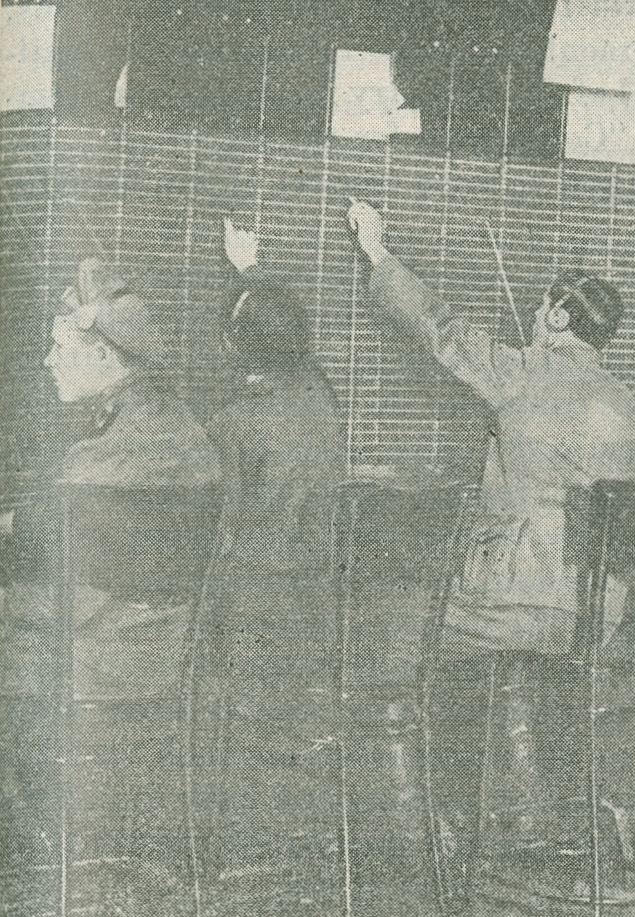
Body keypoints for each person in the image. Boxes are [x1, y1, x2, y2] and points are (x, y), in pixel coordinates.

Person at [347, 200, 635, 853]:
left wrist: (377, 251)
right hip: (597, 612)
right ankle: (525, 810)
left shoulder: (521, 373)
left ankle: (416, 837)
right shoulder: (626, 404)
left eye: (542, 309)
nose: (534, 318)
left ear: (559, 317)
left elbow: (440, 328)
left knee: (384, 635)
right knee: (502, 665)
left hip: (517, 605)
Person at [0, 257, 221, 907]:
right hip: (164, 648)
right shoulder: (172, 424)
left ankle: (23, 847)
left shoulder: (115, 447)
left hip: (108, 655)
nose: (48, 361)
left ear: (102, 355)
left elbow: (49, 531)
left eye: (59, 346)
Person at [203, 219, 344, 884]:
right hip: (317, 597)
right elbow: (292, 350)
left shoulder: (231, 423)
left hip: (253, 597)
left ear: (233, 346)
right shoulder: (321, 401)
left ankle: (246, 846)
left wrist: (245, 278)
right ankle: (305, 837)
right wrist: (249, 273)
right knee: (295, 715)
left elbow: (219, 524)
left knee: (243, 713)